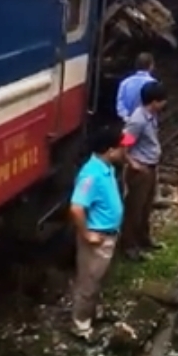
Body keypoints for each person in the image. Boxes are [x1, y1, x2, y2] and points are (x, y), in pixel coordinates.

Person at [69, 125, 135, 342]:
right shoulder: (91, 175)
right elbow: (76, 207)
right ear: (110, 151)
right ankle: (81, 326)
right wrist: (87, 235)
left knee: (98, 279)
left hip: (108, 236)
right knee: (88, 283)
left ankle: (93, 313)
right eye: (122, 148)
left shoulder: (106, 168)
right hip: (98, 239)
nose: (125, 151)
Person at [120, 81, 167, 261]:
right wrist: (133, 164)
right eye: (162, 101)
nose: (164, 104)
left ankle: (144, 239)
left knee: (146, 207)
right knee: (135, 209)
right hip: (141, 170)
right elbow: (124, 146)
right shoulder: (137, 120)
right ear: (154, 101)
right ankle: (129, 245)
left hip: (151, 167)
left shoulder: (151, 115)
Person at [115, 53, 156, 121]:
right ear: (151, 66)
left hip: (128, 122)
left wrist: (126, 117)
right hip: (147, 123)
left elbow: (120, 104)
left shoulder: (124, 83)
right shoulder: (153, 83)